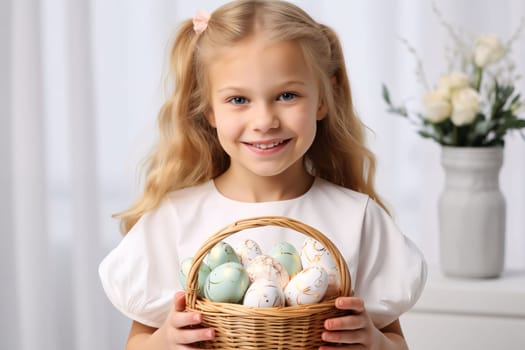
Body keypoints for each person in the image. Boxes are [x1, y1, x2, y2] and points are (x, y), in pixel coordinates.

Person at [99, 0, 427, 349]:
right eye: (238, 100)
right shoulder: (174, 219)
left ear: (322, 99)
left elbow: (395, 342)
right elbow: (138, 342)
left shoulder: (357, 218)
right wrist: (165, 342)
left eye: (287, 95)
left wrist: (374, 342)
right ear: (209, 108)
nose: (264, 121)